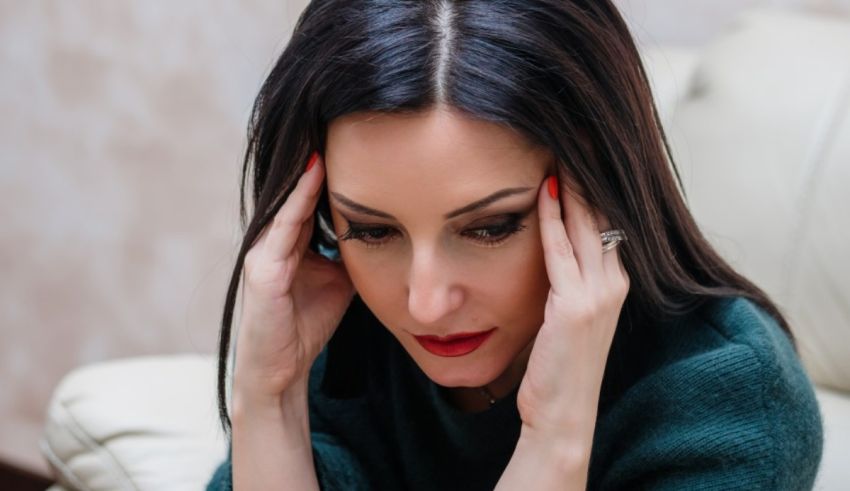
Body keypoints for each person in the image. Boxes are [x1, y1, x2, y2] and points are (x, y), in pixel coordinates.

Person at [206, 0, 823, 489]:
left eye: (489, 228)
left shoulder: (729, 400)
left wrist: (555, 437)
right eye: (373, 230)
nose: (425, 303)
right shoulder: (335, 342)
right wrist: (269, 400)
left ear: (597, 185)